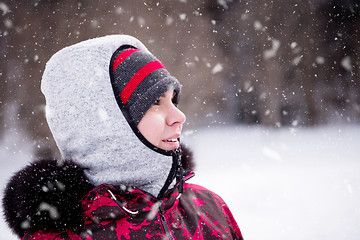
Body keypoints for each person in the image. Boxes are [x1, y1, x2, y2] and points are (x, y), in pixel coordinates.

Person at [2, 35, 243, 240]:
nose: (179, 116)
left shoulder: (210, 209)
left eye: (173, 99)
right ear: (105, 123)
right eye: (155, 102)